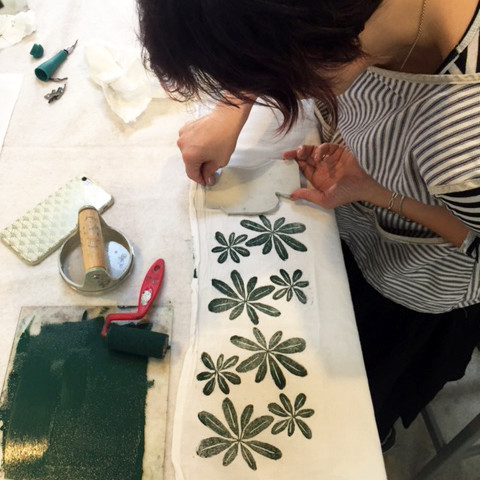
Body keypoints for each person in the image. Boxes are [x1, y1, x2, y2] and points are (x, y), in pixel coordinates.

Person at [137, 0, 480, 451]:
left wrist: (378, 190)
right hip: (354, 218)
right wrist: (231, 109)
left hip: (410, 288)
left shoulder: (460, 143)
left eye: (273, 81)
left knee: (338, 421)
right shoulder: (359, 23)